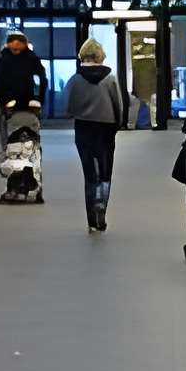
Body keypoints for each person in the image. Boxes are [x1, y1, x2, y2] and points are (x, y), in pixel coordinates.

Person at [66, 38, 127, 232]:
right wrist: (118, 122)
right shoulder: (111, 78)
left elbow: (68, 106)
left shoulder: (76, 78)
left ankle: (91, 217)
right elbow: (118, 103)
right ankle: (102, 206)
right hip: (106, 126)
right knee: (105, 168)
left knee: (89, 171)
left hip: (84, 126)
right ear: (101, 55)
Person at [0, 30, 47, 118]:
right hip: (10, 101)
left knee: (29, 125)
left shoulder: (32, 59)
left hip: (27, 100)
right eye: (12, 40)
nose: (16, 43)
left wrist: (39, 99)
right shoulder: (3, 60)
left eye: (20, 41)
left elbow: (42, 78)